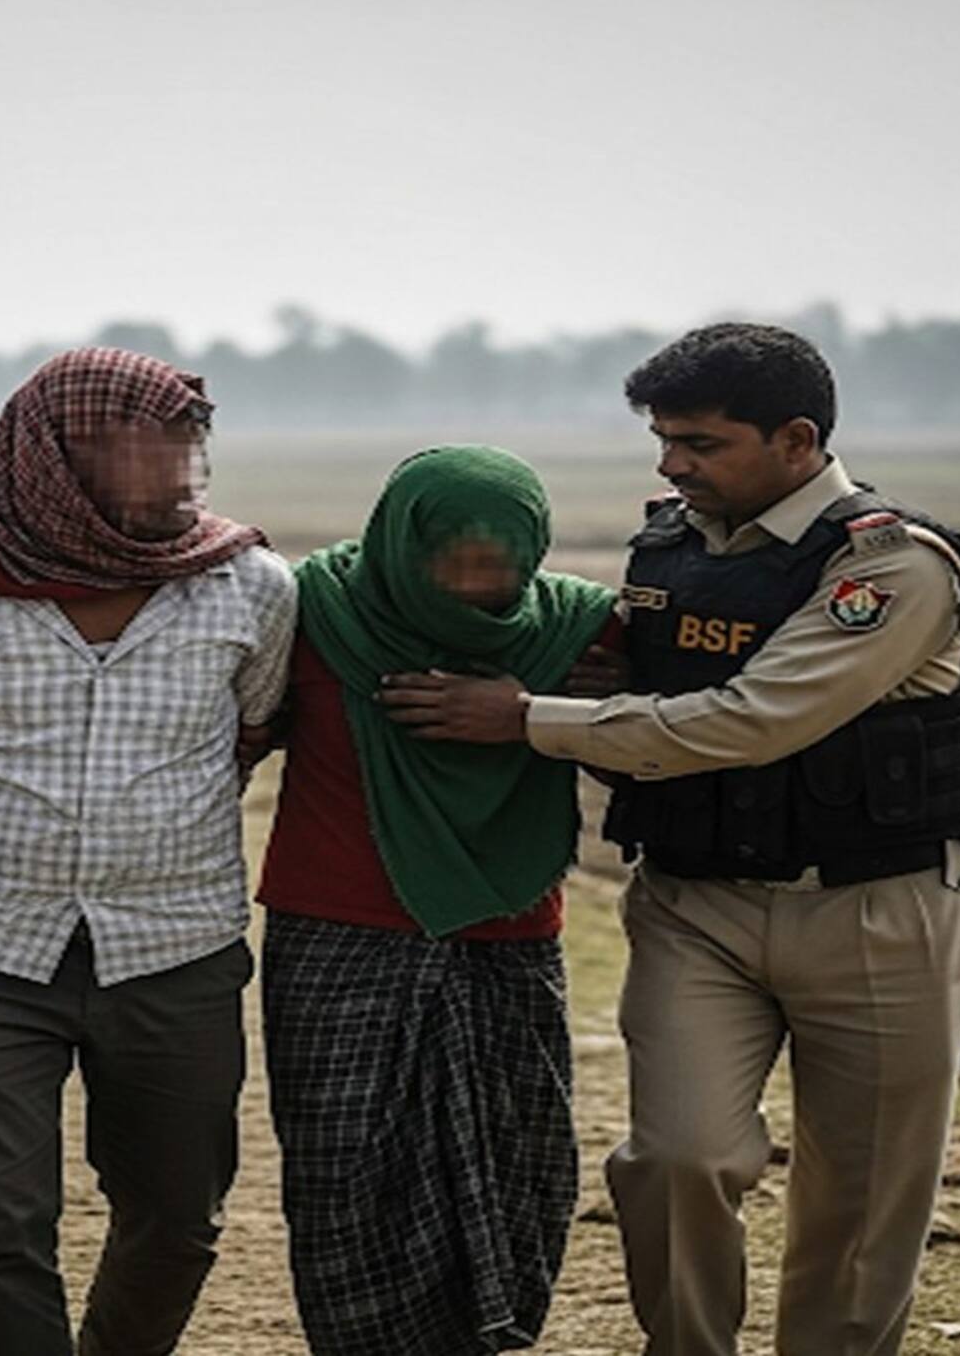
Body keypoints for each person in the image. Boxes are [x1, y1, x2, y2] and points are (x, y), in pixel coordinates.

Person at [380, 324, 960, 1356]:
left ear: (796, 439)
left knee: (857, 1209)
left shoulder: (891, 567)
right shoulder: (666, 545)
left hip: (878, 912)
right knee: (673, 1161)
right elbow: (642, 687)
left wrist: (524, 716)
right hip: (692, 905)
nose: (670, 463)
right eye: (662, 439)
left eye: (700, 443)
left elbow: (753, 718)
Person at [0, 346, 297, 1356]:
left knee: (178, 1218)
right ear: (51, 457)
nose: (169, 476)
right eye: (135, 453)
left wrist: (140, 838)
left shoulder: (250, 587)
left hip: (173, 947)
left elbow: (252, 726)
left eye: (183, 448)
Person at [255, 446, 616, 1355]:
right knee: (345, 1178)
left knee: (518, 1164)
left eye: (497, 568)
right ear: (399, 545)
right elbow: (223, 734)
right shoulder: (314, 613)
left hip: (508, 939)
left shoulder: (581, 632)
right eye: (450, 561)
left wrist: (526, 709)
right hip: (336, 938)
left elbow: (672, 729)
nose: (472, 587)